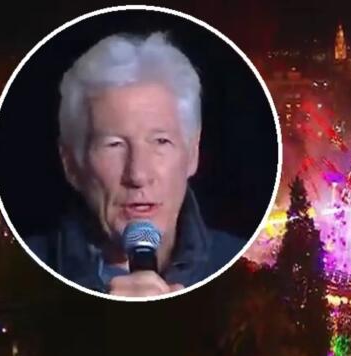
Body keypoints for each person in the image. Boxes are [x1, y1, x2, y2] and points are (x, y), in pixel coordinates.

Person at [26, 32, 245, 297]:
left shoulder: (242, 270)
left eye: (161, 141)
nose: (138, 174)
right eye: (114, 145)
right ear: (71, 164)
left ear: (192, 154)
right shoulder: (21, 277)